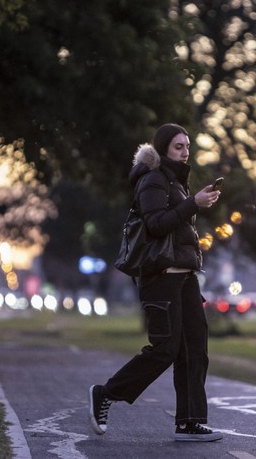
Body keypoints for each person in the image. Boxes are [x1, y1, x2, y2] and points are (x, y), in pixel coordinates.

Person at [89, 123, 223, 442]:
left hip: (185, 278)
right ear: (163, 149)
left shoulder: (176, 181)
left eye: (187, 146)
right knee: (165, 349)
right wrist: (193, 205)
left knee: (194, 350)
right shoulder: (153, 179)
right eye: (178, 146)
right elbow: (156, 224)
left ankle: (189, 421)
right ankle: (105, 394)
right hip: (160, 279)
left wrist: (194, 201)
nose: (185, 151)